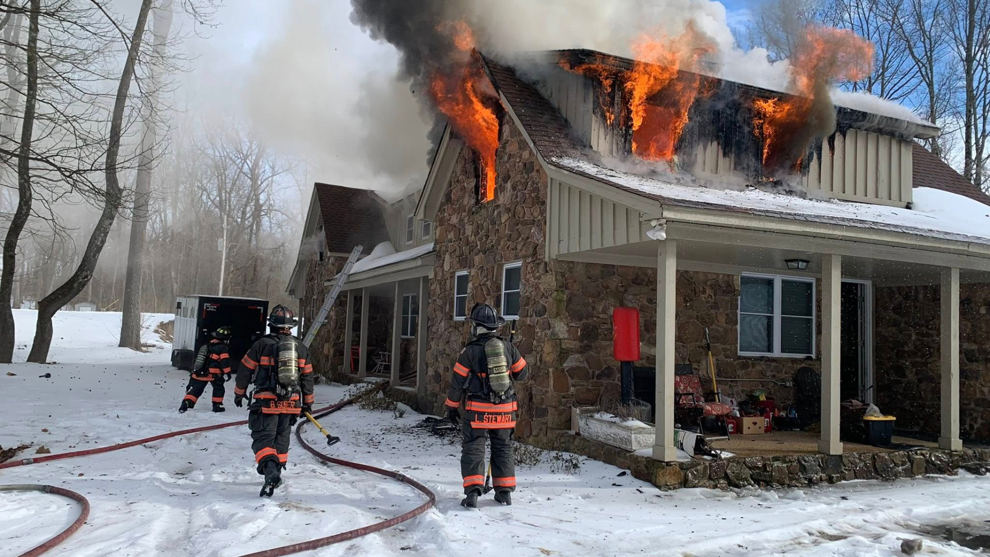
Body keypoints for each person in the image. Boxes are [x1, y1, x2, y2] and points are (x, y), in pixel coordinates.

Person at [444, 303, 529, 508]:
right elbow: (522, 374)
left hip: (478, 412)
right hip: (505, 411)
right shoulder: (508, 347)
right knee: (503, 448)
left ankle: (473, 493)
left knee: (474, 448)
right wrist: (510, 357)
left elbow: (457, 383)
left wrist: (451, 407)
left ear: (476, 326)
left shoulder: (469, 352)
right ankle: (504, 493)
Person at [234, 305, 316, 497]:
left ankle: (270, 471)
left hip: (266, 403)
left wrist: (239, 393)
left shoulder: (261, 345)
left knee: (263, 439)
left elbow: (245, 370)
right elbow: (308, 378)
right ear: (290, 327)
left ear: (271, 324)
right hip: (291, 404)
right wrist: (307, 404)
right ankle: (275, 474)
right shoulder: (300, 348)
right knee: (281, 440)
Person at [179, 326, 233, 413]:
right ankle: (217, 406)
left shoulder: (207, 345)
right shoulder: (223, 348)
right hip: (214, 374)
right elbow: (224, 362)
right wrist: (228, 372)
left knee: (197, 389)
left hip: (200, 372)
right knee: (218, 388)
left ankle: (186, 403)